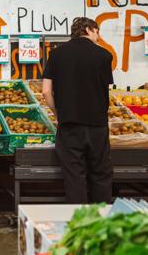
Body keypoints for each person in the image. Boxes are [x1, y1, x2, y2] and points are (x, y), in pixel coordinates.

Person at [42, 17, 114, 204]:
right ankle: (102, 221)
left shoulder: (56, 54)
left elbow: (46, 90)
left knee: (75, 176)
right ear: (89, 30)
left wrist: (58, 113)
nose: (98, 36)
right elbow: (104, 89)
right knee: (100, 174)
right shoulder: (104, 56)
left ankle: (79, 223)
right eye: (97, 32)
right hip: (97, 126)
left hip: (69, 126)